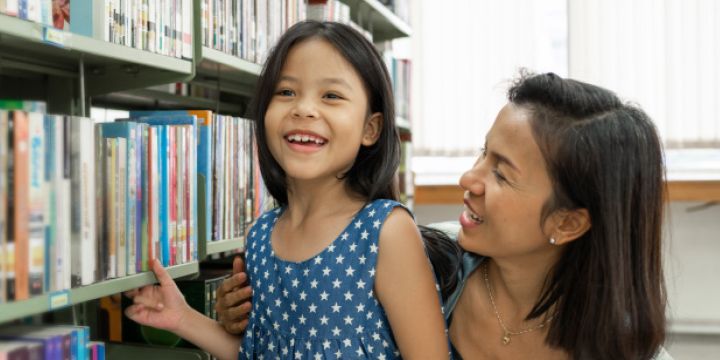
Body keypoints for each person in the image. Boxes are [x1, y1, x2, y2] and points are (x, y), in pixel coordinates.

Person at [217, 71, 672, 359]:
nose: (468, 179)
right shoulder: (418, 257)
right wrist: (248, 314)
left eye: (502, 173)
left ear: (568, 222)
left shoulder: (624, 348)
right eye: (482, 153)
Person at [124, 20, 450, 360]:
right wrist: (183, 319)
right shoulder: (260, 236)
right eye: (286, 92)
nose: (303, 108)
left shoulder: (385, 231)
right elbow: (261, 352)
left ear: (371, 129)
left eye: (332, 96)